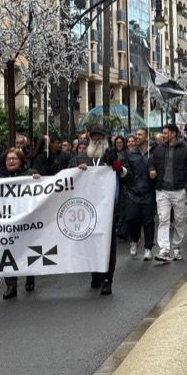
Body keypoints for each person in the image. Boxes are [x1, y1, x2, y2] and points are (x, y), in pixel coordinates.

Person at [72, 125, 127, 295]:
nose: (96, 140)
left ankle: (107, 279)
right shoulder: (81, 157)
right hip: (87, 210)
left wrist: (116, 166)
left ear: (105, 139)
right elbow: (67, 178)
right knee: (91, 243)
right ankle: (95, 273)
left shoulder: (111, 156)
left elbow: (125, 175)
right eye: (94, 137)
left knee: (108, 244)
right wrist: (77, 170)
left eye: (100, 137)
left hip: (108, 209)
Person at [0, 148, 40, 299]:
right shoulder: (0, 176)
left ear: (21, 161)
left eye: (14, 159)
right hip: (7, 221)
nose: (11, 161)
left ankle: (30, 276)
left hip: (26, 220)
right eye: (8, 159)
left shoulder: (30, 173)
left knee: (27, 249)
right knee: (9, 251)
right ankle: (11, 286)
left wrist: (38, 179)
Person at [149, 124, 187, 262]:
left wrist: (186, 188)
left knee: (180, 220)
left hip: (179, 190)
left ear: (173, 134)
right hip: (162, 190)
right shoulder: (158, 150)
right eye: (163, 133)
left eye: (166, 133)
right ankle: (164, 249)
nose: (163, 135)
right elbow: (152, 163)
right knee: (163, 219)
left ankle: (177, 246)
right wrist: (152, 170)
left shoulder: (186, 149)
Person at [125, 129, 156, 260]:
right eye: (136, 135)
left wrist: (155, 172)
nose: (137, 137)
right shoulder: (131, 154)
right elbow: (126, 171)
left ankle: (148, 248)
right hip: (133, 193)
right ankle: (135, 239)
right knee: (131, 219)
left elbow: (159, 167)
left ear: (147, 137)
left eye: (140, 135)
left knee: (148, 221)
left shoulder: (154, 153)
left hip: (149, 193)